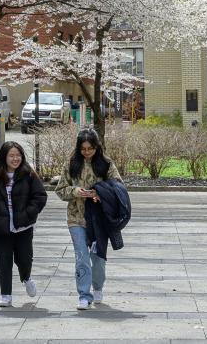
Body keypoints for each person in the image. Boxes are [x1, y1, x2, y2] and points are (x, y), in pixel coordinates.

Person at [55, 128, 122, 310]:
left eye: (90, 148)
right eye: (83, 149)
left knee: (98, 258)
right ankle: (84, 295)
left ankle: (98, 287)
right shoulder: (71, 163)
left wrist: (100, 194)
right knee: (81, 257)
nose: (86, 152)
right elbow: (60, 190)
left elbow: (118, 187)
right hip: (76, 218)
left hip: (99, 219)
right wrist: (75, 191)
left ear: (96, 147)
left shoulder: (106, 163)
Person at [0, 141, 47, 308]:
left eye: (18, 155)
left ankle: (26, 278)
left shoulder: (28, 174)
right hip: (2, 228)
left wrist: (28, 214)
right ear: (4, 157)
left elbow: (40, 197)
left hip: (24, 227)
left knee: (24, 259)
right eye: (11, 155)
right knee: (4, 261)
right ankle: (6, 295)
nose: (15, 159)